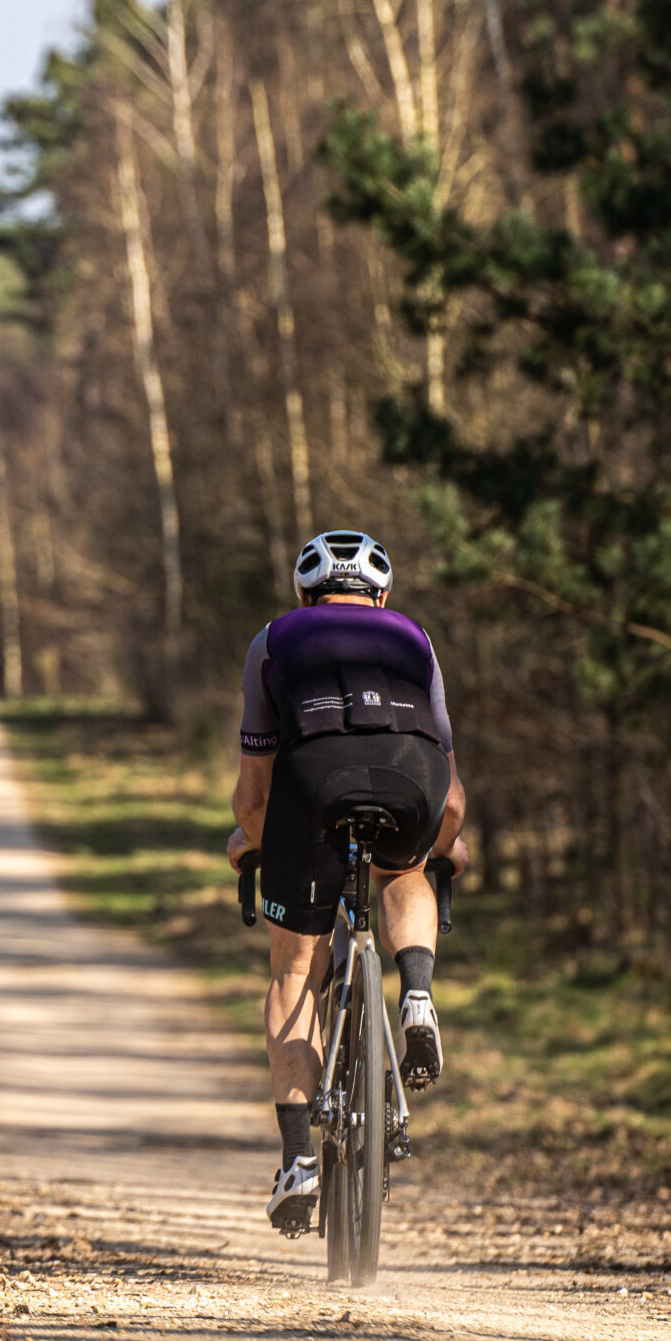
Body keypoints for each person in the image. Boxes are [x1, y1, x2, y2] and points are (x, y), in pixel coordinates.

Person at [225, 529, 468, 1236]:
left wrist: (250, 841)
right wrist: (449, 848)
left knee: (296, 962)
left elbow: (253, 790)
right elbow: (450, 792)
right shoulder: (416, 639)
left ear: (304, 594)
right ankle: (416, 991)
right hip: (413, 775)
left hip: (312, 778)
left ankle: (299, 1158)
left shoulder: (273, 641)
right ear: (381, 595)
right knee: (405, 871)